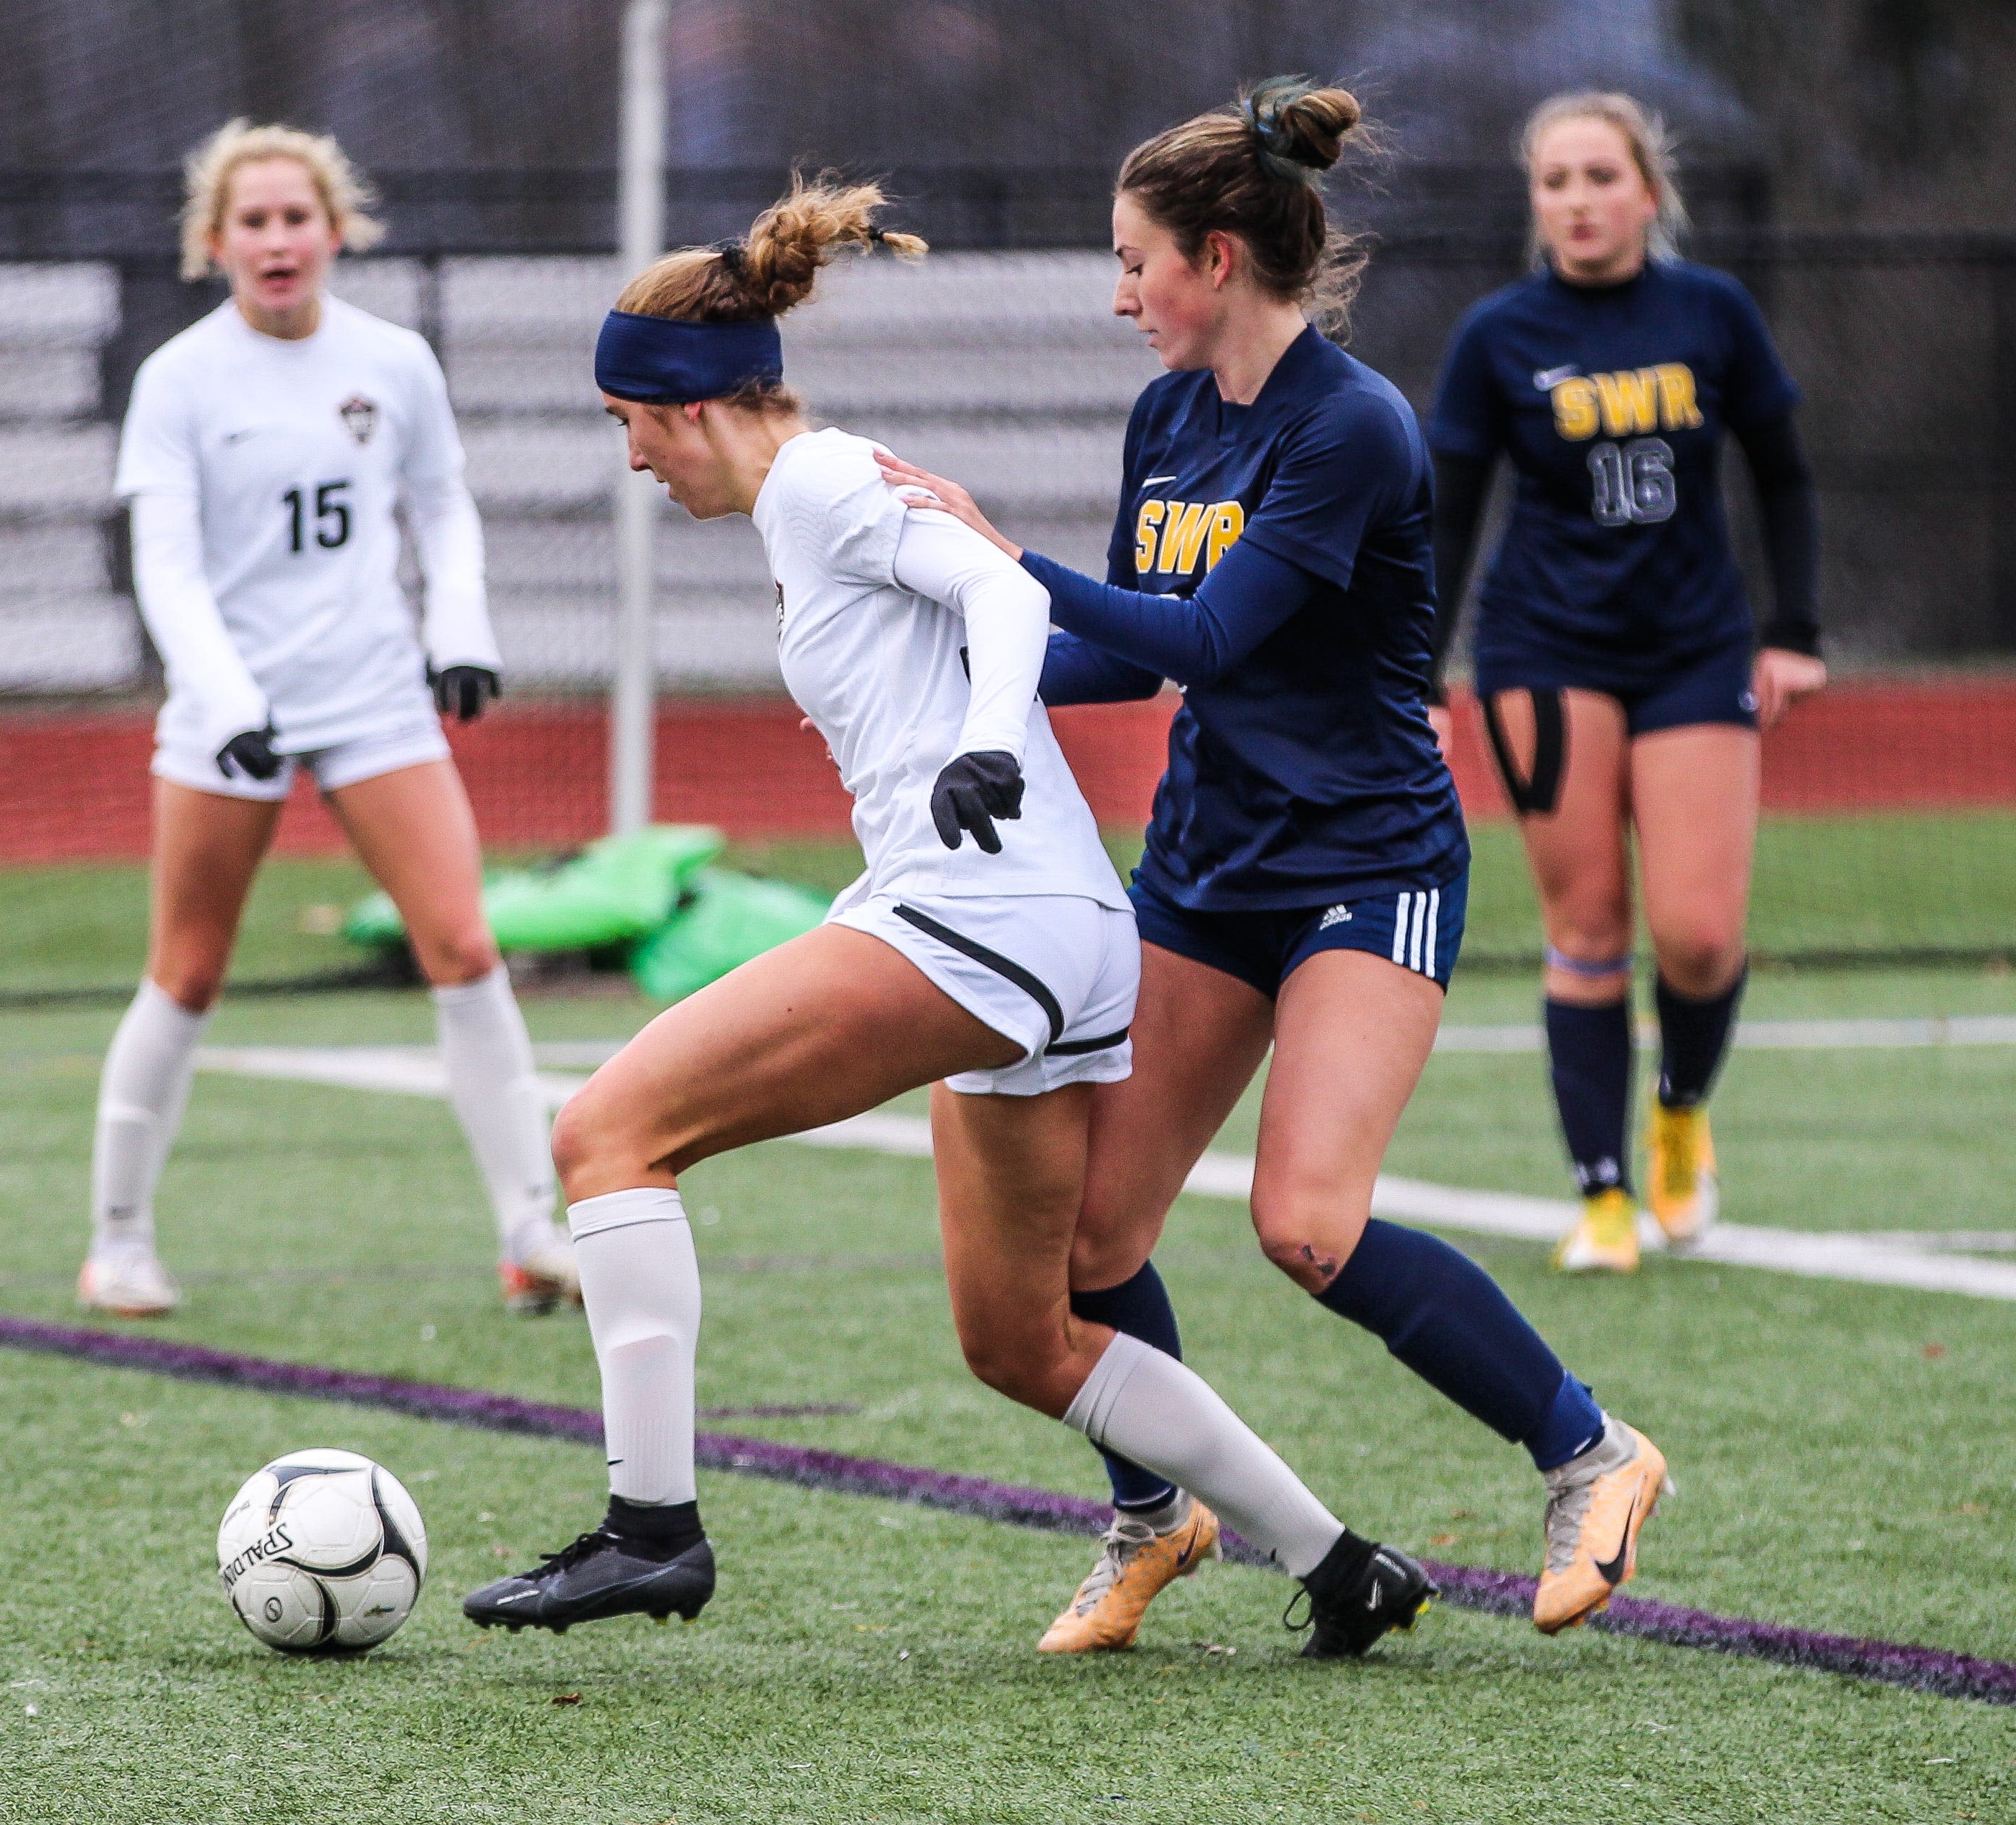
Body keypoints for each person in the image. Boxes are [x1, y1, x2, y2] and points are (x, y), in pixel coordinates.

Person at [461, 178, 1434, 1658]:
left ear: (694, 406)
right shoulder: (811, 501)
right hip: (1049, 926)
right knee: (1021, 1339)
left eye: (629, 424)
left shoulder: (827, 482)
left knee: (604, 1134)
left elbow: (1001, 594)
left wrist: (986, 737)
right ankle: (1341, 1564)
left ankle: (649, 1531)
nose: (636, 458)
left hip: (984, 912)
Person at [876, 79, 1666, 1646]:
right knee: (1091, 1249)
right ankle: (1154, 1518)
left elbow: (1211, 635)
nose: (1119, 296)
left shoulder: (1354, 428)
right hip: (1209, 859)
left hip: (1368, 864)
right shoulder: (1171, 414)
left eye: (1132, 262)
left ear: (1218, 259)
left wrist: (988, 562)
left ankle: (1591, 1451)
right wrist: (944, 664)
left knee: (1308, 1223)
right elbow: (1128, 666)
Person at [84, 120, 577, 1320]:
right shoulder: (179, 380)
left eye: (294, 217)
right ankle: (118, 1242)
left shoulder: (393, 361)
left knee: (463, 949)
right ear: (214, 244)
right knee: (188, 971)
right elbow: (167, 568)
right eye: (249, 222)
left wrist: (459, 628)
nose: (275, 240)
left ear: (336, 229)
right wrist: (225, 695)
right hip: (230, 708)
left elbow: (441, 509)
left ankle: (529, 1233)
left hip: (370, 696)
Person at [1425, 92, 1824, 1273]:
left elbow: (1784, 476)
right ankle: (1599, 1195)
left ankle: (1679, 1111)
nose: (1577, 202)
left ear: (1648, 192)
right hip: (1541, 651)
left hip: (1694, 648)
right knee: (1585, 926)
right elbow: (1449, 520)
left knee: (1698, 939)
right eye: (1554, 182)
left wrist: (1793, 628)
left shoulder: (1712, 312)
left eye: (1600, 177)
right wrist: (1417, 668)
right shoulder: (1497, 333)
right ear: (1535, 201)